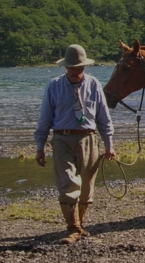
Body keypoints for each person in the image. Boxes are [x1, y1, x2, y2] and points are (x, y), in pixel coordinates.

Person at [35, 44, 115, 244]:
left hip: (88, 139)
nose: (75, 72)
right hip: (62, 138)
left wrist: (109, 144)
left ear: (85, 67)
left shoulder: (94, 84)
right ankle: (73, 228)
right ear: (65, 68)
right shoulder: (54, 86)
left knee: (87, 187)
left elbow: (104, 117)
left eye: (79, 68)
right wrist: (40, 146)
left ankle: (80, 224)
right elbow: (45, 118)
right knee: (68, 183)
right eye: (72, 68)